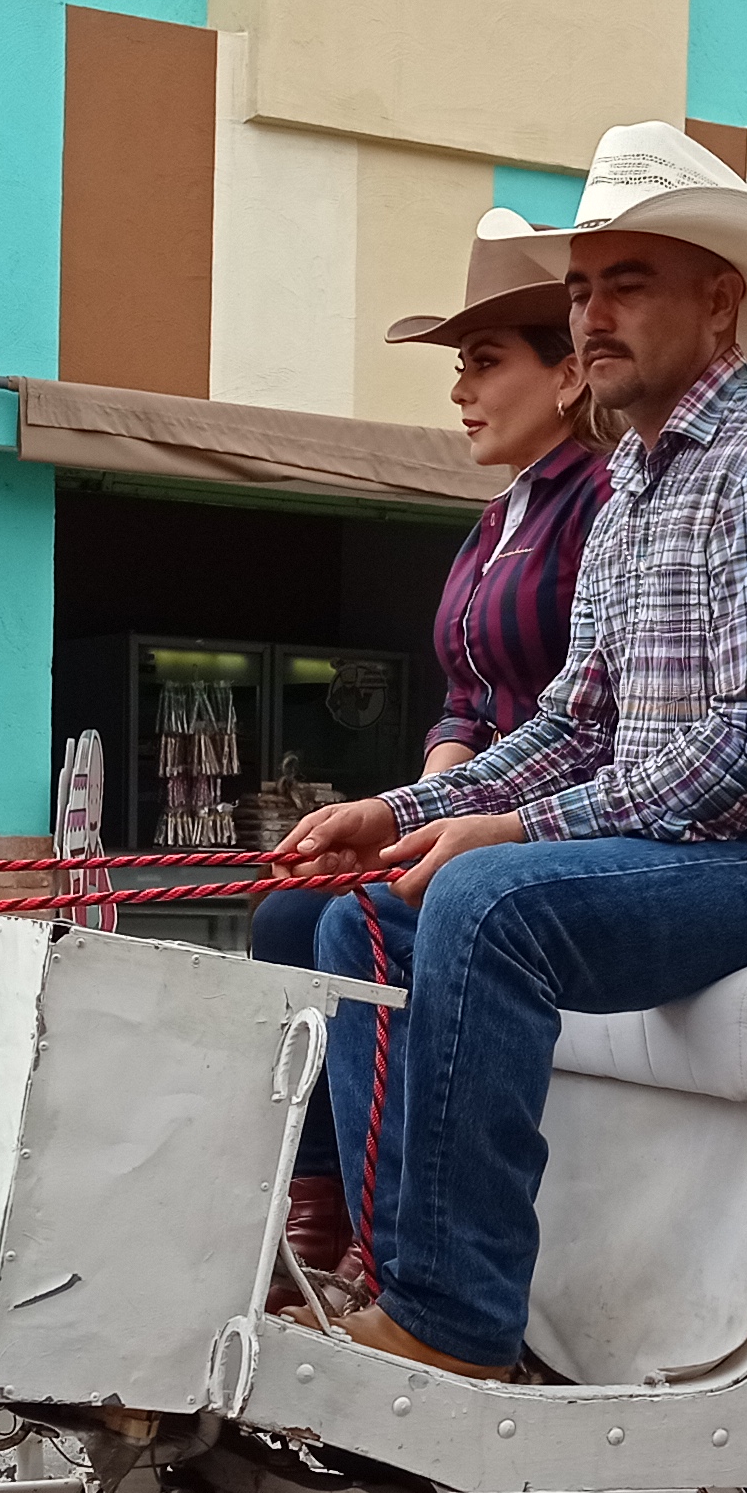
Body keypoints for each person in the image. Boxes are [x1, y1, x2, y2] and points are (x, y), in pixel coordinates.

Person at [272, 122, 747, 1380]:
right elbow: (574, 722)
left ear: (719, 302)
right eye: (580, 290)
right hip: (704, 847)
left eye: (628, 283)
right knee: (362, 917)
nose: (592, 317)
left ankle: (455, 1321)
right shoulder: (632, 483)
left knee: (485, 902)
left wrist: (513, 831)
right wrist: (398, 804)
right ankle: (396, 1277)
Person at [258, 214, 612, 1282]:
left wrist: (437, 834)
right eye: (458, 367)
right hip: (476, 805)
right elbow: (464, 701)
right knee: (286, 911)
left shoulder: (604, 504)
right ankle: (314, 1204)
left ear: (564, 377)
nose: (460, 390)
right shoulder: (495, 519)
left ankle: (392, 1242)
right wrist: (406, 813)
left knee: (359, 921)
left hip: (561, 812)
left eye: (484, 363)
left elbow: (589, 719)